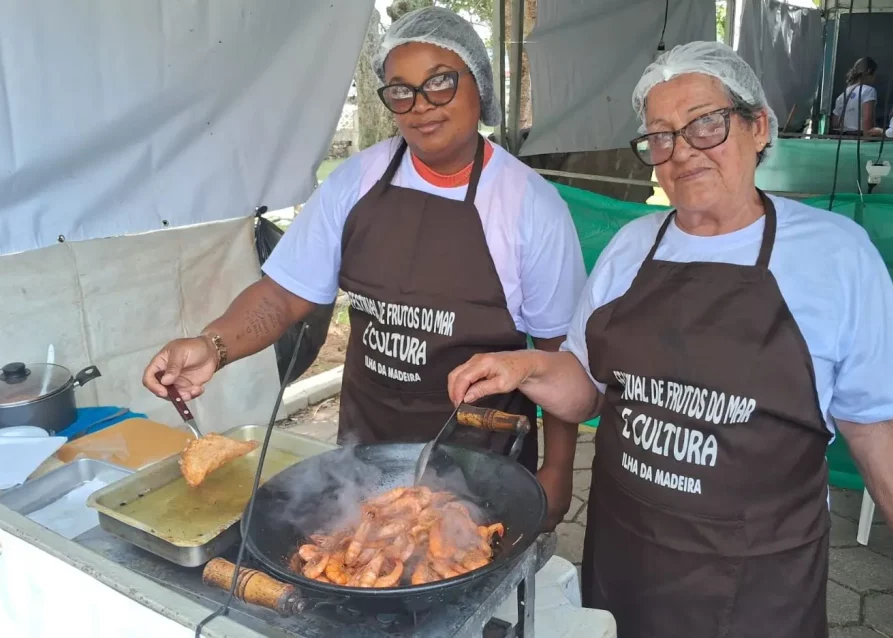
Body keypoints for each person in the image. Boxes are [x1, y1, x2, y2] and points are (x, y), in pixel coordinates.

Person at [448, 41, 893, 637]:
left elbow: (883, 427)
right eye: (660, 136)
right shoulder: (633, 246)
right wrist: (524, 368)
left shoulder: (834, 255)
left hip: (757, 585)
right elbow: (587, 386)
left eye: (706, 124)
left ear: (758, 127)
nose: (682, 151)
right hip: (624, 557)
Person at [142, 7, 587, 530]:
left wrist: (557, 467)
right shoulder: (355, 183)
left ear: (479, 86)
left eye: (440, 83)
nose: (421, 106)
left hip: (478, 456)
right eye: (400, 90)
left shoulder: (530, 206)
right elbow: (283, 295)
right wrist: (212, 345)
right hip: (366, 454)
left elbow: (559, 352)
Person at [832, 56, 878, 134]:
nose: (874, 78)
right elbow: (867, 119)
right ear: (869, 71)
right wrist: (869, 138)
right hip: (859, 137)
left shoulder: (843, 94)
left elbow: (835, 123)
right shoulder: (869, 91)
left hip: (843, 137)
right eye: (874, 74)